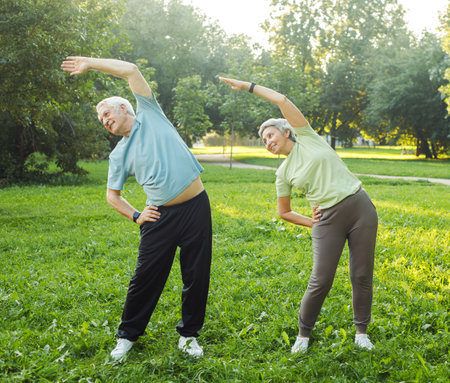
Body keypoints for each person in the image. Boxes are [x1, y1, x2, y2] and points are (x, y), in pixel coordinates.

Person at [62, 57, 212, 359]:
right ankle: (127, 336)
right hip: (159, 218)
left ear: (124, 108)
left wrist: (90, 64)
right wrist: (136, 214)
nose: (104, 120)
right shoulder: (118, 155)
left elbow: (131, 70)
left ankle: (189, 335)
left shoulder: (151, 114)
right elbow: (112, 196)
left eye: (106, 113)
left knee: (196, 273)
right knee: (145, 277)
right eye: (100, 119)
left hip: (196, 207)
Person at [219, 77, 378, 353]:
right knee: (321, 279)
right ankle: (303, 335)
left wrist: (248, 87)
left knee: (361, 274)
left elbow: (281, 100)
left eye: (270, 135)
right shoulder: (283, 173)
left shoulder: (308, 138)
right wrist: (311, 222)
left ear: (286, 132)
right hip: (327, 220)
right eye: (263, 140)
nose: (267, 141)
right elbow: (284, 212)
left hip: (360, 207)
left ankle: (361, 333)